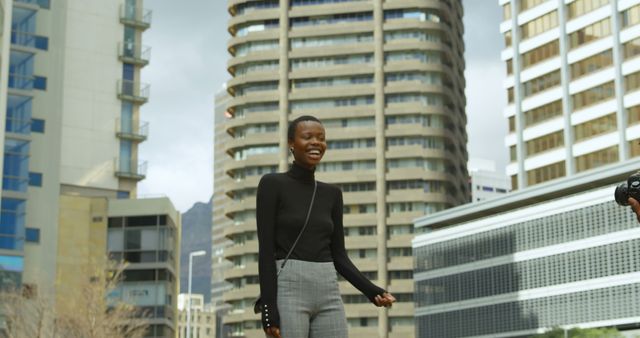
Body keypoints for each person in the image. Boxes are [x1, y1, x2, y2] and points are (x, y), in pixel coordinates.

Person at [256, 115, 395, 338]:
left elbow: (339, 256)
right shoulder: (272, 184)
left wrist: (372, 291)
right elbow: (265, 252)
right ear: (291, 143)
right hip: (289, 288)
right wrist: (268, 311)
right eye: (308, 137)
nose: (316, 142)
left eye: (321, 138)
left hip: (327, 288)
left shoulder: (332, 194)